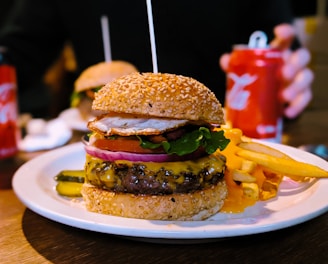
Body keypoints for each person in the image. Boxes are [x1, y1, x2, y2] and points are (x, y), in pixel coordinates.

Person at [0, 0, 313, 119]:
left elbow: (279, 43)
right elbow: (17, 54)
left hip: (227, 127)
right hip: (99, 132)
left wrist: (284, 81)